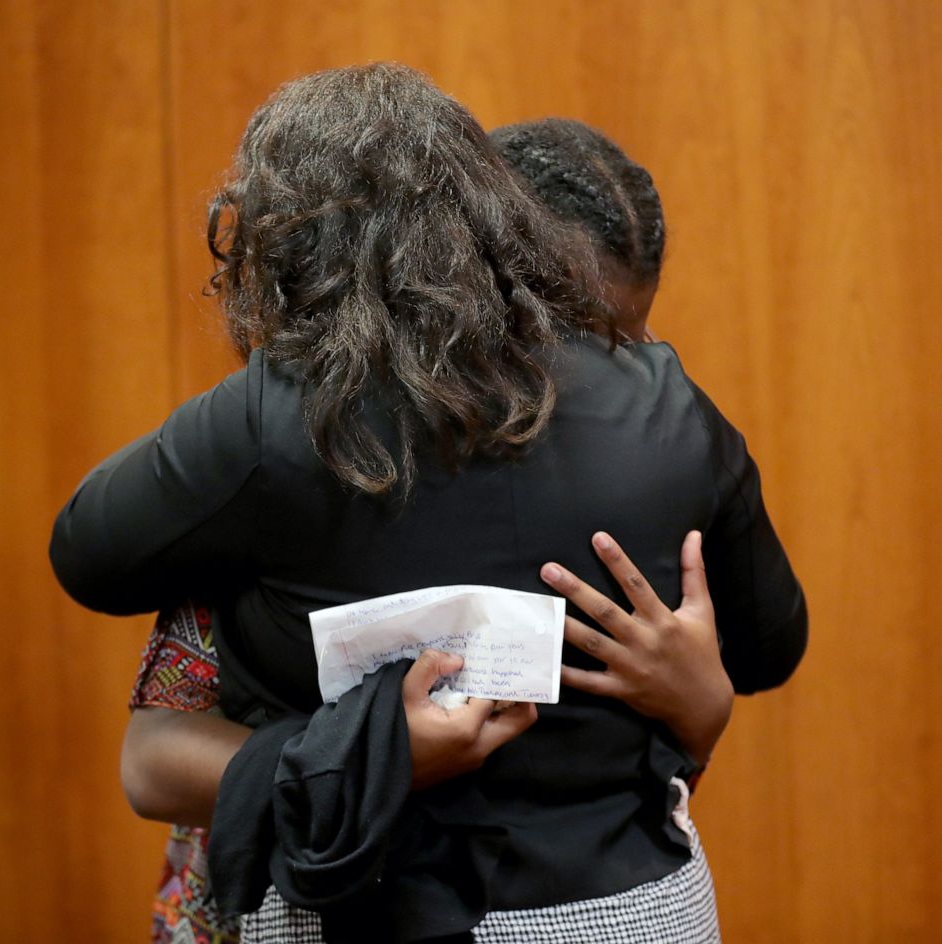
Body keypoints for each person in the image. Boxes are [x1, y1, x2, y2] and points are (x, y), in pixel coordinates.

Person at [50, 65, 806, 943]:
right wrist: (702, 696)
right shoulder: (670, 400)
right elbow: (771, 645)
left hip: (359, 906)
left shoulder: (273, 421)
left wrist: (362, 755)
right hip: (630, 910)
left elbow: (87, 558)